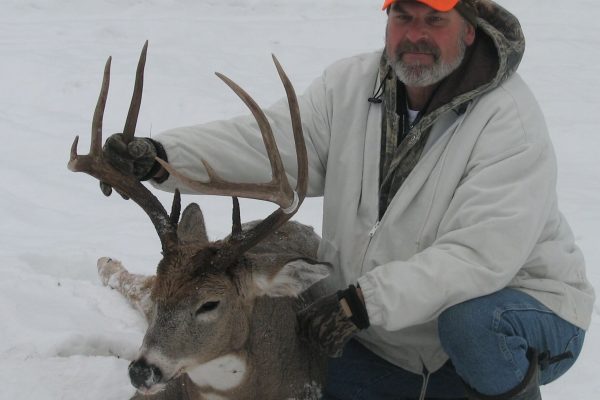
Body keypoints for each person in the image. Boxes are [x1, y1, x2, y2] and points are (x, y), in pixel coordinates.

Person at [102, 1, 595, 399]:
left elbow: (478, 257)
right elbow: (267, 142)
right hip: (390, 332)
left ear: (469, 29)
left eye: (435, 19)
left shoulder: (508, 121)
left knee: (471, 327)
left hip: (518, 316)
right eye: (404, 15)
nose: (416, 33)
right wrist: (162, 159)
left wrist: (364, 302)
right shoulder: (352, 87)